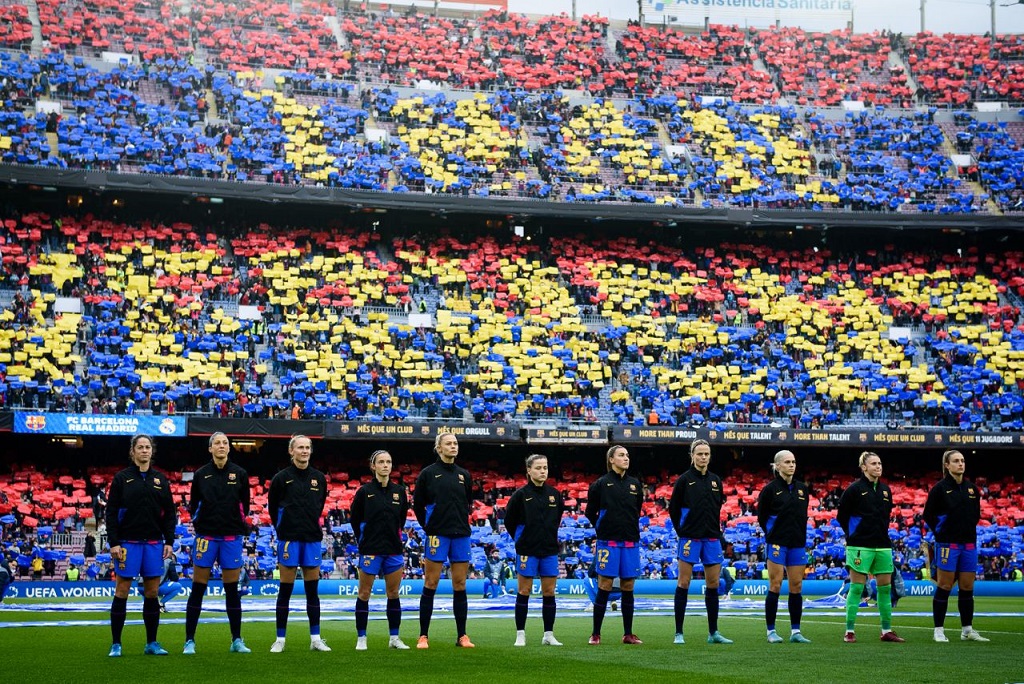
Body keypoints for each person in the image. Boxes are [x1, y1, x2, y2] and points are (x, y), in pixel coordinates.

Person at [105, 434, 176, 657]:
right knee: (122, 590)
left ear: (151, 451)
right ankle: (116, 643)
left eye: (148, 447)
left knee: (152, 592)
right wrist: (114, 542)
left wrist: (170, 540)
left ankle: (151, 643)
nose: (144, 450)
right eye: (140, 447)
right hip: (128, 543)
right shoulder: (121, 478)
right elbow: (111, 512)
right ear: (133, 451)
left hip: (154, 543)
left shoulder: (160, 480)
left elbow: (170, 513)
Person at [183, 432, 253, 654]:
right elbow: (194, 505)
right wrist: (201, 524)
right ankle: (189, 641)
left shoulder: (240, 473)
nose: (221, 446)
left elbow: (245, 505)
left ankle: (236, 640)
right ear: (210, 448)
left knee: (232, 591)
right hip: (206, 538)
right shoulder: (201, 475)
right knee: (198, 589)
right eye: (217, 443)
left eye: (225, 443)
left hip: (231, 538)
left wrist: (238, 524)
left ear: (229, 448)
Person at [268, 435, 330, 653]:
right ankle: (280, 640)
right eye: (300, 448)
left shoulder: (319, 478)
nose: (304, 451)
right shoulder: (281, 478)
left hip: (312, 538)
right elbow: (273, 509)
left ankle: (315, 639)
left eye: (307, 448)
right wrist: (285, 528)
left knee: (312, 591)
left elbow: (319, 505)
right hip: (289, 539)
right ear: (291, 451)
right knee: (285, 591)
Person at [412, 431, 475, 649]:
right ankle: (423, 636)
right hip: (437, 535)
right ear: (439, 448)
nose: (453, 447)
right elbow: (418, 505)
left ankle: (462, 636)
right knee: (431, 583)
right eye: (448, 443)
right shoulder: (428, 474)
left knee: (460, 584)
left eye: (455, 443)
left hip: (461, 534)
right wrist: (428, 527)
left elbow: (468, 502)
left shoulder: (463, 474)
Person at [669, 439, 732, 645]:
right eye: (700, 454)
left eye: (706, 454)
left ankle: (713, 632)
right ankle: (679, 633)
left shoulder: (716, 481)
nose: (703, 457)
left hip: (712, 537)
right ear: (692, 456)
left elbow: (717, 508)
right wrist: (682, 531)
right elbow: (674, 510)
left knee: (713, 583)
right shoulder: (684, 480)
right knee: (684, 582)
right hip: (689, 538)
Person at [837, 451, 904, 643]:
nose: (878, 467)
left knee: (884, 589)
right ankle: (849, 631)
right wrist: (854, 534)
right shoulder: (854, 490)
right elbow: (842, 516)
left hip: (882, 545)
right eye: (874, 464)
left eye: (880, 463)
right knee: (857, 588)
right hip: (859, 545)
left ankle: (886, 631)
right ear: (864, 467)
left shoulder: (885, 490)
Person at [923, 449, 989, 643]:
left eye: (962, 460)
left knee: (967, 587)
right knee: (944, 585)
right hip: (947, 544)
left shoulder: (972, 489)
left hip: (968, 543)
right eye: (956, 461)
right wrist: (941, 533)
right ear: (947, 465)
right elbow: (928, 515)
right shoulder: (940, 489)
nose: (961, 464)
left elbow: (975, 515)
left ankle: (967, 630)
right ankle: (938, 630)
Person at [349, 449, 411, 651]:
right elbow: (355, 520)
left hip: (393, 549)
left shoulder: (399, 492)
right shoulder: (364, 492)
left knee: (393, 593)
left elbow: (400, 519)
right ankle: (361, 638)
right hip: (370, 549)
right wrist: (365, 540)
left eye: (389, 462)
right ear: (373, 466)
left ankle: (394, 637)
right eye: (381, 462)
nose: (385, 465)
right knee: (364, 593)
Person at [504, 453, 565, 647]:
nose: (542, 471)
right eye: (538, 468)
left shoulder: (555, 495)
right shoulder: (520, 495)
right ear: (529, 470)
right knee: (524, 590)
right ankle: (520, 634)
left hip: (548, 550)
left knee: (549, 591)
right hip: (527, 550)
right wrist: (522, 539)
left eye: (545, 468)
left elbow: (557, 519)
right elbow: (509, 522)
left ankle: (548, 634)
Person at [584, 444, 643, 645]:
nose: (626, 458)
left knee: (628, 586)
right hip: (608, 542)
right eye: (621, 455)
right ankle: (595, 633)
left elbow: (638, 509)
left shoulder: (635, 484)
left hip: (630, 541)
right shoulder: (600, 484)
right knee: (605, 585)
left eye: (627, 455)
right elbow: (589, 512)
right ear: (611, 460)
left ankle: (628, 634)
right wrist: (602, 528)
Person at [756, 449, 812, 644]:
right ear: (777, 466)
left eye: (794, 462)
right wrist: (773, 534)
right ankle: (771, 631)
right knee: (776, 584)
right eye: (787, 462)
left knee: (796, 586)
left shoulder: (802, 489)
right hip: (777, 543)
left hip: (797, 543)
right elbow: (762, 517)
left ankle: (795, 631)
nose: (791, 465)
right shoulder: (770, 490)